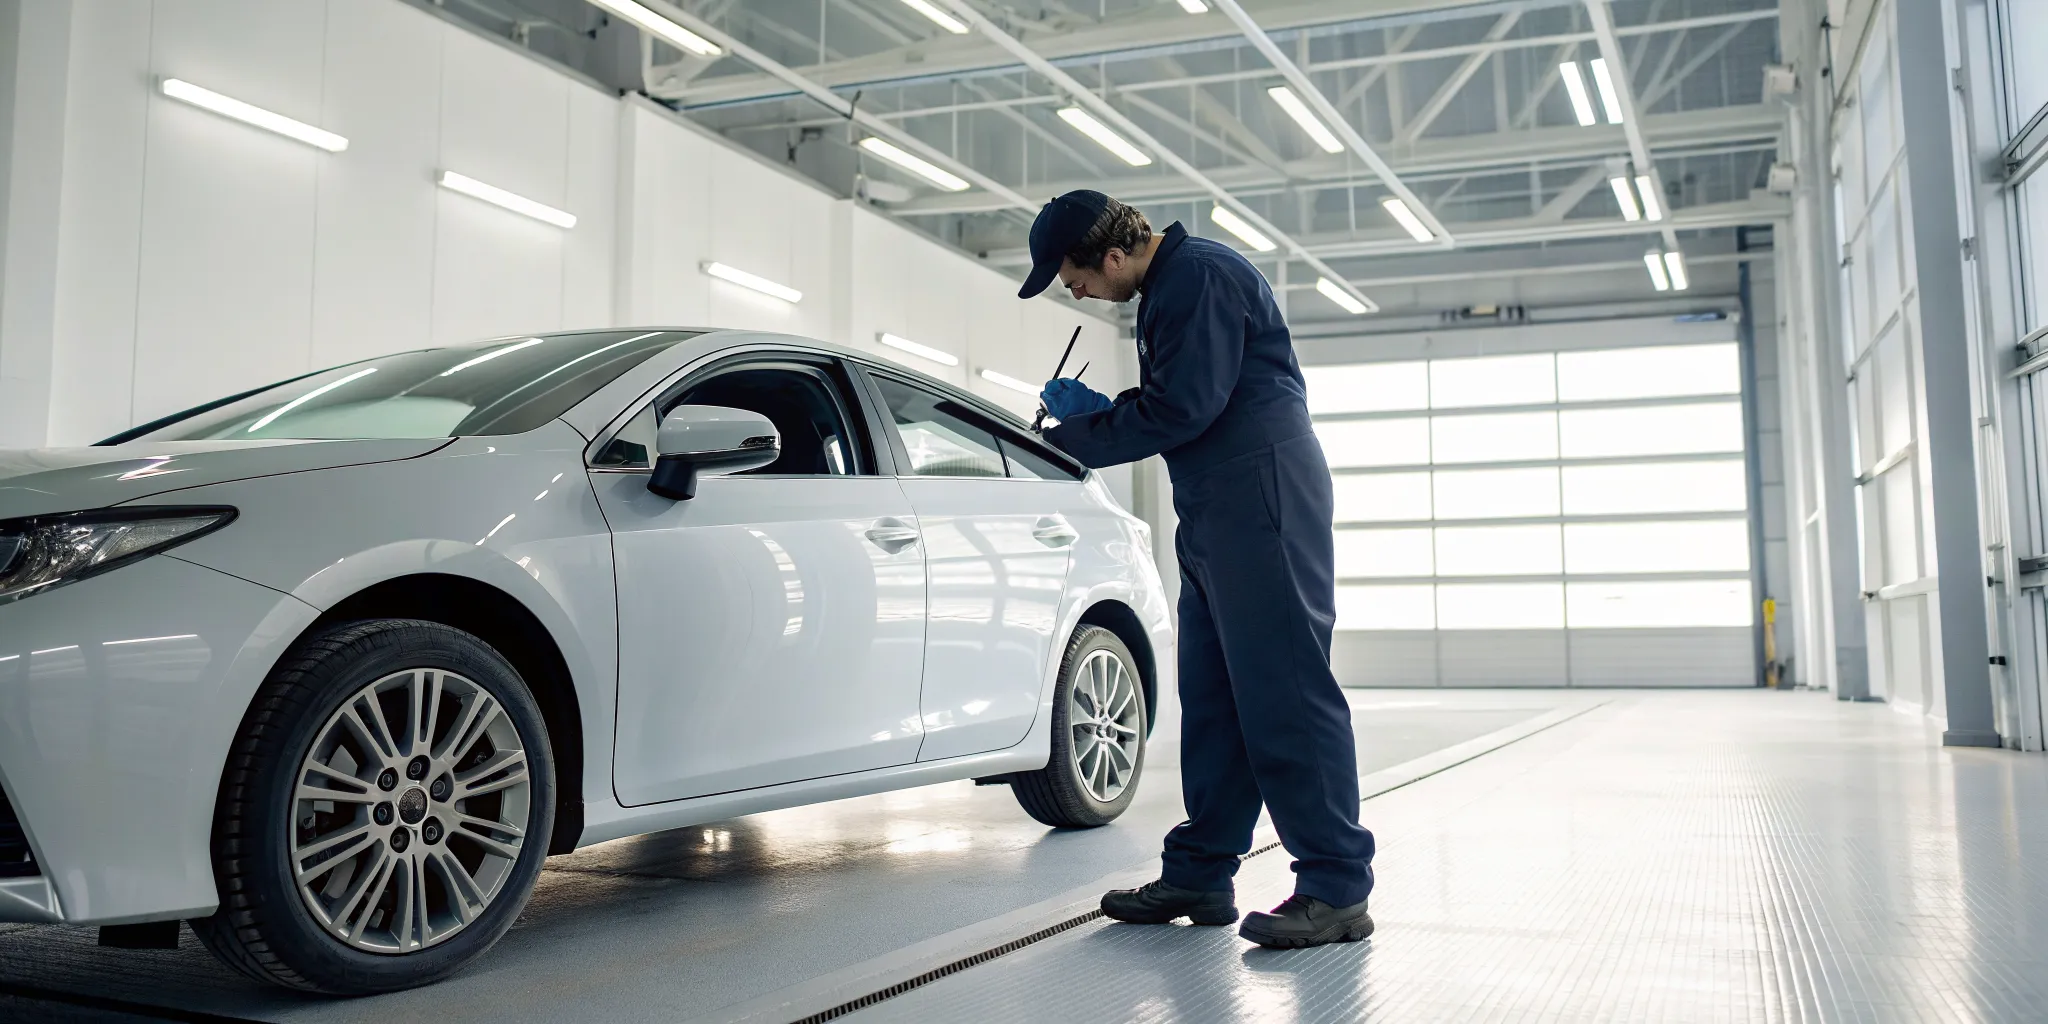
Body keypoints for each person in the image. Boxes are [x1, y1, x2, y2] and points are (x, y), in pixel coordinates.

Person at [1018, 190, 1376, 949]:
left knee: (1285, 690)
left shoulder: (1199, 277)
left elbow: (1183, 409)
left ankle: (1336, 887)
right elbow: (1183, 397)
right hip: (1218, 504)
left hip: (1262, 497)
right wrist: (1104, 411)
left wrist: (1076, 433)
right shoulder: (1169, 289)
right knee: (1213, 698)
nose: (1075, 293)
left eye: (1075, 278)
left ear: (1112, 255)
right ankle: (1202, 872)